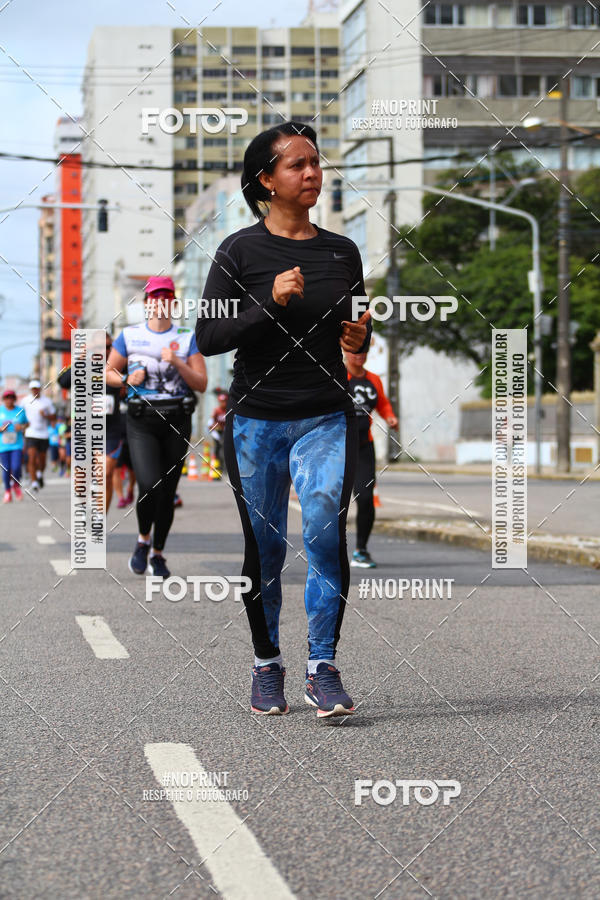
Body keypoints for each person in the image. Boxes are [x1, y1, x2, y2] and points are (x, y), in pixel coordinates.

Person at [195, 122, 371, 718]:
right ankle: (267, 664)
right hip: (256, 422)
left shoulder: (342, 252)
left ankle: (323, 667)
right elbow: (209, 337)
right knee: (266, 546)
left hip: (324, 413)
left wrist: (360, 336)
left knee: (324, 532)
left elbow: (358, 334)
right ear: (265, 180)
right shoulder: (239, 252)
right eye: (297, 165)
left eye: (316, 163)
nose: (312, 173)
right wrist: (268, 302)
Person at [106, 275, 207, 578]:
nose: (159, 303)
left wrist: (177, 362)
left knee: (168, 491)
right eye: (154, 297)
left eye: (165, 297)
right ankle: (141, 541)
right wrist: (125, 380)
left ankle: (158, 553)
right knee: (149, 484)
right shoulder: (130, 335)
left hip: (177, 420)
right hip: (142, 421)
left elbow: (201, 383)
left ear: (173, 303)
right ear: (147, 304)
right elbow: (107, 372)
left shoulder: (188, 336)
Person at [58, 333, 124, 511]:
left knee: (106, 474)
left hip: (110, 429)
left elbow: (131, 386)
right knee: (82, 478)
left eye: (109, 347)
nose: (106, 351)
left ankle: (99, 520)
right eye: (100, 347)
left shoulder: (118, 366)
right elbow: (63, 382)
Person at [345, 350, 398, 568]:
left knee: (366, 498)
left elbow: (382, 403)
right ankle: (327, 552)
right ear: (345, 351)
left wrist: (389, 416)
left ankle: (361, 550)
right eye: (354, 351)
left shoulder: (373, 379)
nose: (359, 356)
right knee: (330, 502)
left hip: (364, 446)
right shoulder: (336, 376)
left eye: (363, 352)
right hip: (336, 447)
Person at [22, 379, 55, 491]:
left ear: (40, 389)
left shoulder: (47, 401)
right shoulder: (25, 401)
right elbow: (19, 415)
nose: (35, 390)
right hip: (30, 433)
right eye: (33, 389)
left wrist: (45, 415)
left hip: (43, 434)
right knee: (31, 457)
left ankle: (39, 473)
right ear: (30, 390)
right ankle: (34, 482)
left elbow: (54, 417)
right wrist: (22, 425)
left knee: (42, 460)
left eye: (36, 388)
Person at [0, 389, 28, 502]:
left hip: (17, 445)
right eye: (7, 398)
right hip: (3, 446)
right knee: (6, 469)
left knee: (16, 467)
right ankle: (7, 491)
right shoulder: (0, 411)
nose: (9, 400)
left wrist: (21, 427)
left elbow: (27, 423)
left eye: (11, 397)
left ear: (14, 399)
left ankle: (16, 485)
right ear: (4, 400)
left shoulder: (20, 411)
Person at [207, 391, 228, 478]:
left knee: (224, 449)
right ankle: (217, 466)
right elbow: (211, 423)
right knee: (217, 449)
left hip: (225, 432)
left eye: (224, 401)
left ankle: (225, 468)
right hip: (217, 432)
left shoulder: (228, 410)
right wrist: (214, 430)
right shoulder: (217, 411)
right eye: (221, 401)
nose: (223, 403)